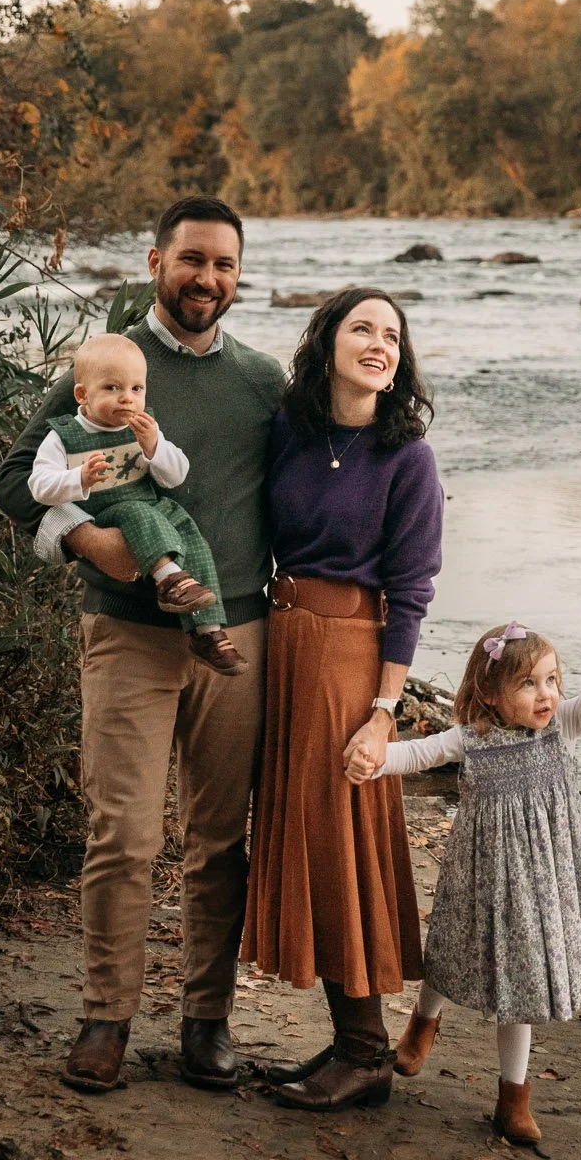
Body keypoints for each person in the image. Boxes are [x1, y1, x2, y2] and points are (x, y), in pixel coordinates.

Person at [0, 197, 283, 1095]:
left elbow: (317, 482)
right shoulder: (107, 364)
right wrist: (86, 540)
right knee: (121, 831)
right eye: (192, 259)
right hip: (125, 634)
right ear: (157, 260)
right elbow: (15, 481)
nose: (207, 278)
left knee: (216, 840)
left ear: (239, 276)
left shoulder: (264, 382)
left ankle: (206, 1022)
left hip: (237, 633)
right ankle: (105, 1018)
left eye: (224, 265)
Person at [349, 616, 581, 1145]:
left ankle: (513, 1098)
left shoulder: (562, 727)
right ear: (490, 694)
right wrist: (374, 758)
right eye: (528, 684)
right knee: (455, 947)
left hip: (541, 879)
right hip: (481, 872)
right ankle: (423, 1022)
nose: (546, 694)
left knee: (521, 982)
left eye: (551, 680)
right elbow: (417, 753)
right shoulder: (474, 739)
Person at [243, 287, 445, 1114]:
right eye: (362, 327)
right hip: (279, 642)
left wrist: (383, 711)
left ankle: (366, 1051)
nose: (378, 343)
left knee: (337, 837)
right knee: (300, 829)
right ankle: (350, 1035)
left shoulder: (409, 456)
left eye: (391, 334)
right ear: (327, 342)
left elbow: (413, 590)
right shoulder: (289, 430)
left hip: (349, 655)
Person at [27, 331, 247, 676]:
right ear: (82, 394)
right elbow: (38, 486)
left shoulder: (143, 427)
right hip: (107, 513)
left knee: (192, 537)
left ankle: (207, 632)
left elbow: (175, 477)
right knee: (137, 512)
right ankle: (170, 580)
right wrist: (79, 479)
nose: (127, 399)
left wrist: (154, 447)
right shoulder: (65, 434)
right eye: (112, 389)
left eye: (136, 389)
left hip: (150, 506)